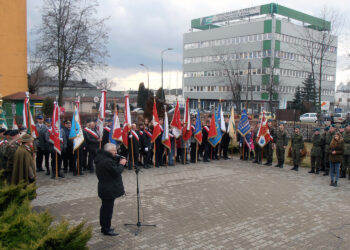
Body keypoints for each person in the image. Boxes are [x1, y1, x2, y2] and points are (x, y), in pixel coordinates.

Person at [95, 143, 127, 236]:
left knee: (105, 209)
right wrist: (121, 164)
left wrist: (116, 160)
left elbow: (111, 169)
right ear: (109, 151)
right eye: (114, 150)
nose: (116, 152)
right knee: (107, 210)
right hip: (108, 189)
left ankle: (105, 227)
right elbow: (116, 172)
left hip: (105, 187)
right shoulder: (106, 161)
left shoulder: (103, 158)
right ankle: (106, 229)